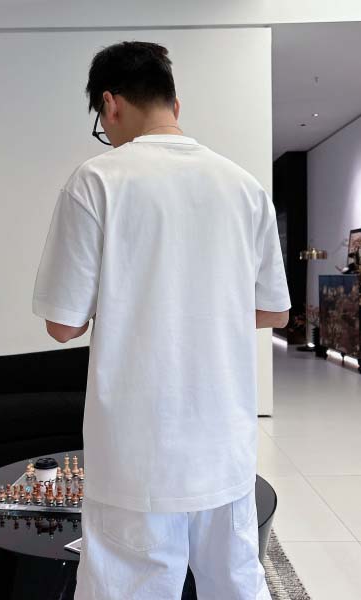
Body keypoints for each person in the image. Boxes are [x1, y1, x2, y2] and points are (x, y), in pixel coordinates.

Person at [32, 40, 291, 600]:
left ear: (110, 104)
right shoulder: (245, 186)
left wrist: (135, 300)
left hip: (136, 450)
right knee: (235, 583)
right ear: (175, 105)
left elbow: (63, 325)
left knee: (132, 586)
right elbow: (275, 310)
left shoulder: (97, 181)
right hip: (224, 440)